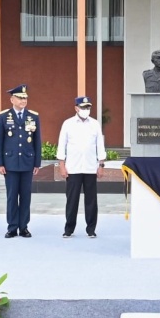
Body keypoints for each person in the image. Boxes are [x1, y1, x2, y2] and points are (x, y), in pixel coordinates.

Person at [0, 84, 41, 238]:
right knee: (12, 196)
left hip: (27, 162)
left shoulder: (33, 116)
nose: (23, 100)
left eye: (25, 97)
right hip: (11, 163)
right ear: (12, 99)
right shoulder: (3, 116)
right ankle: (12, 227)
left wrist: (37, 163)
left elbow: (37, 141)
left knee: (26, 196)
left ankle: (24, 227)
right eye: (20, 98)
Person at [56, 96, 106, 238]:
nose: (86, 110)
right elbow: (62, 145)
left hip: (90, 167)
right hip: (73, 168)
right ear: (76, 108)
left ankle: (91, 229)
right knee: (72, 200)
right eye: (83, 108)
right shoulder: (68, 124)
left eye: (88, 108)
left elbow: (100, 146)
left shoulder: (95, 124)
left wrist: (101, 164)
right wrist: (61, 165)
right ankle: (69, 228)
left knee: (91, 200)